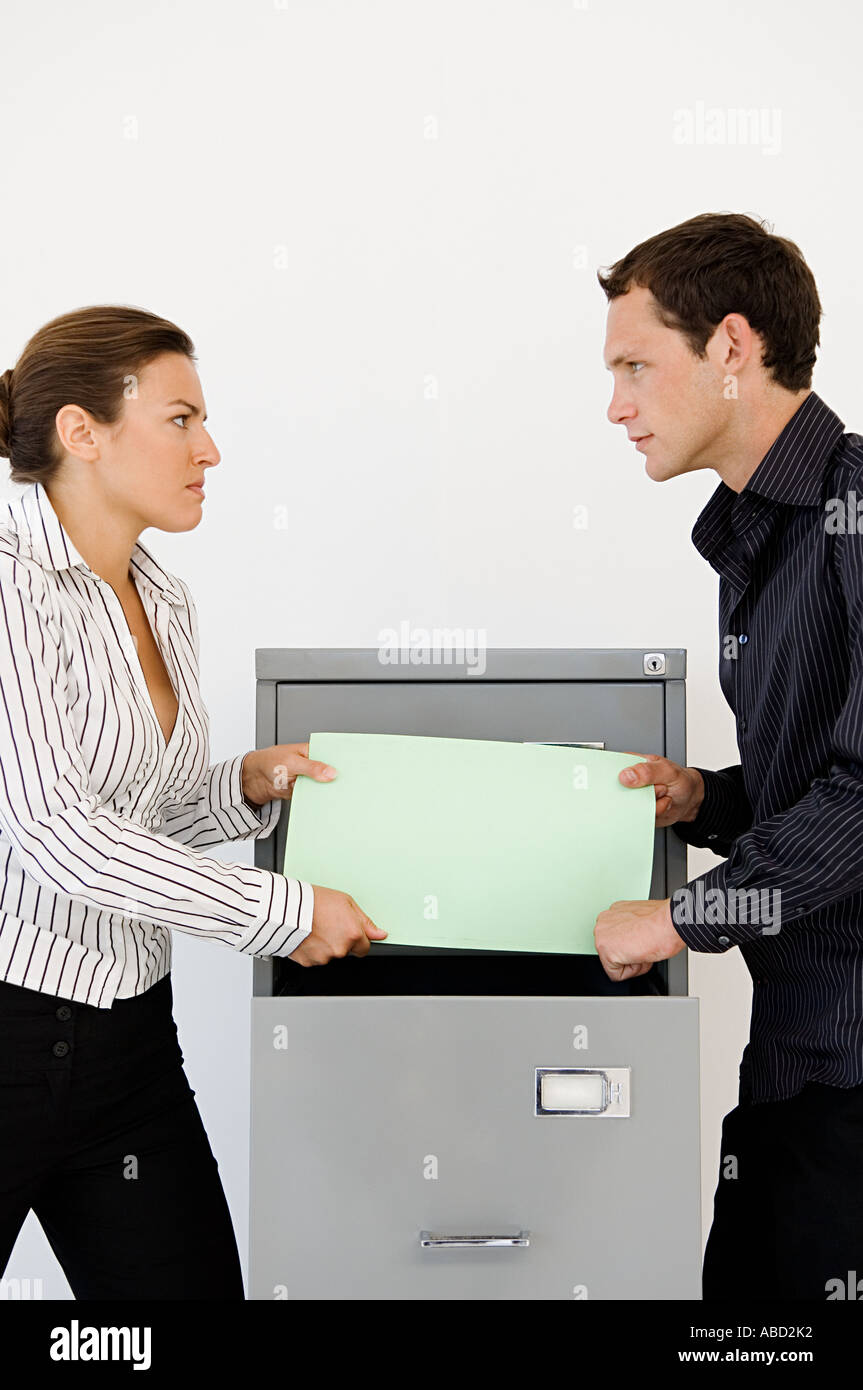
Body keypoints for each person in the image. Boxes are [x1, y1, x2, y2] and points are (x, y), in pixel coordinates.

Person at [0, 304, 386, 1298]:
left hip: (129, 1043)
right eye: (180, 419)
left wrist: (243, 786)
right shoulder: (10, 586)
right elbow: (57, 834)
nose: (209, 448)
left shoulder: (161, 596)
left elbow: (140, 819)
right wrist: (281, 914)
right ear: (80, 433)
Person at [591, 211, 863, 1301]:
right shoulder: (756, 532)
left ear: (732, 347)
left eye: (634, 367)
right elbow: (818, 772)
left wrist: (678, 918)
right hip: (798, 1054)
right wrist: (704, 797)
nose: (614, 405)